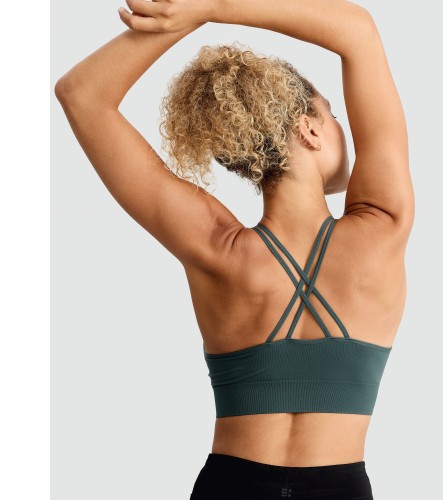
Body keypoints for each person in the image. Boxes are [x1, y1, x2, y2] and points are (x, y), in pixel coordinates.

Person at [55, 0, 415, 498]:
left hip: (230, 485)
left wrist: (190, 16)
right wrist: (209, 6)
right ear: (309, 128)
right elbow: (359, 32)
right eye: (332, 114)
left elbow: (81, 94)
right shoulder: (382, 227)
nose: (341, 124)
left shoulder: (215, 248)